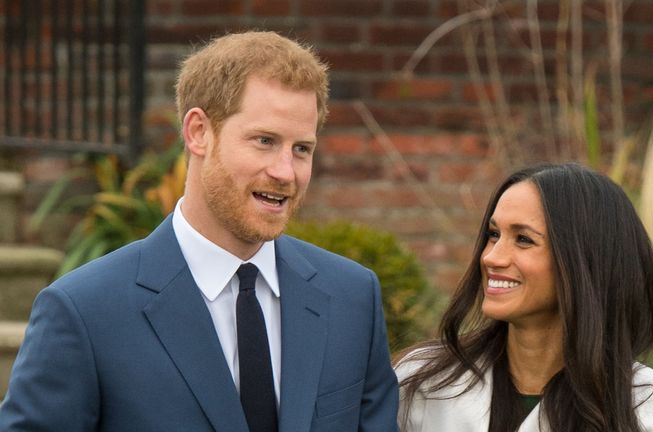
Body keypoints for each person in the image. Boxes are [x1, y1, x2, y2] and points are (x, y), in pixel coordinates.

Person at [0, 31, 398, 432]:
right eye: (265, 140)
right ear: (198, 132)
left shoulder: (352, 298)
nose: (286, 172)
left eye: (302, 149)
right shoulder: (84, 312)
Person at [395, 163, 653, 432]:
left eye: (523, 239)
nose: (491, 257)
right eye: (494, 234)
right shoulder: (421, 382)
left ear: (585, 262)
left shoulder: (648, 406)